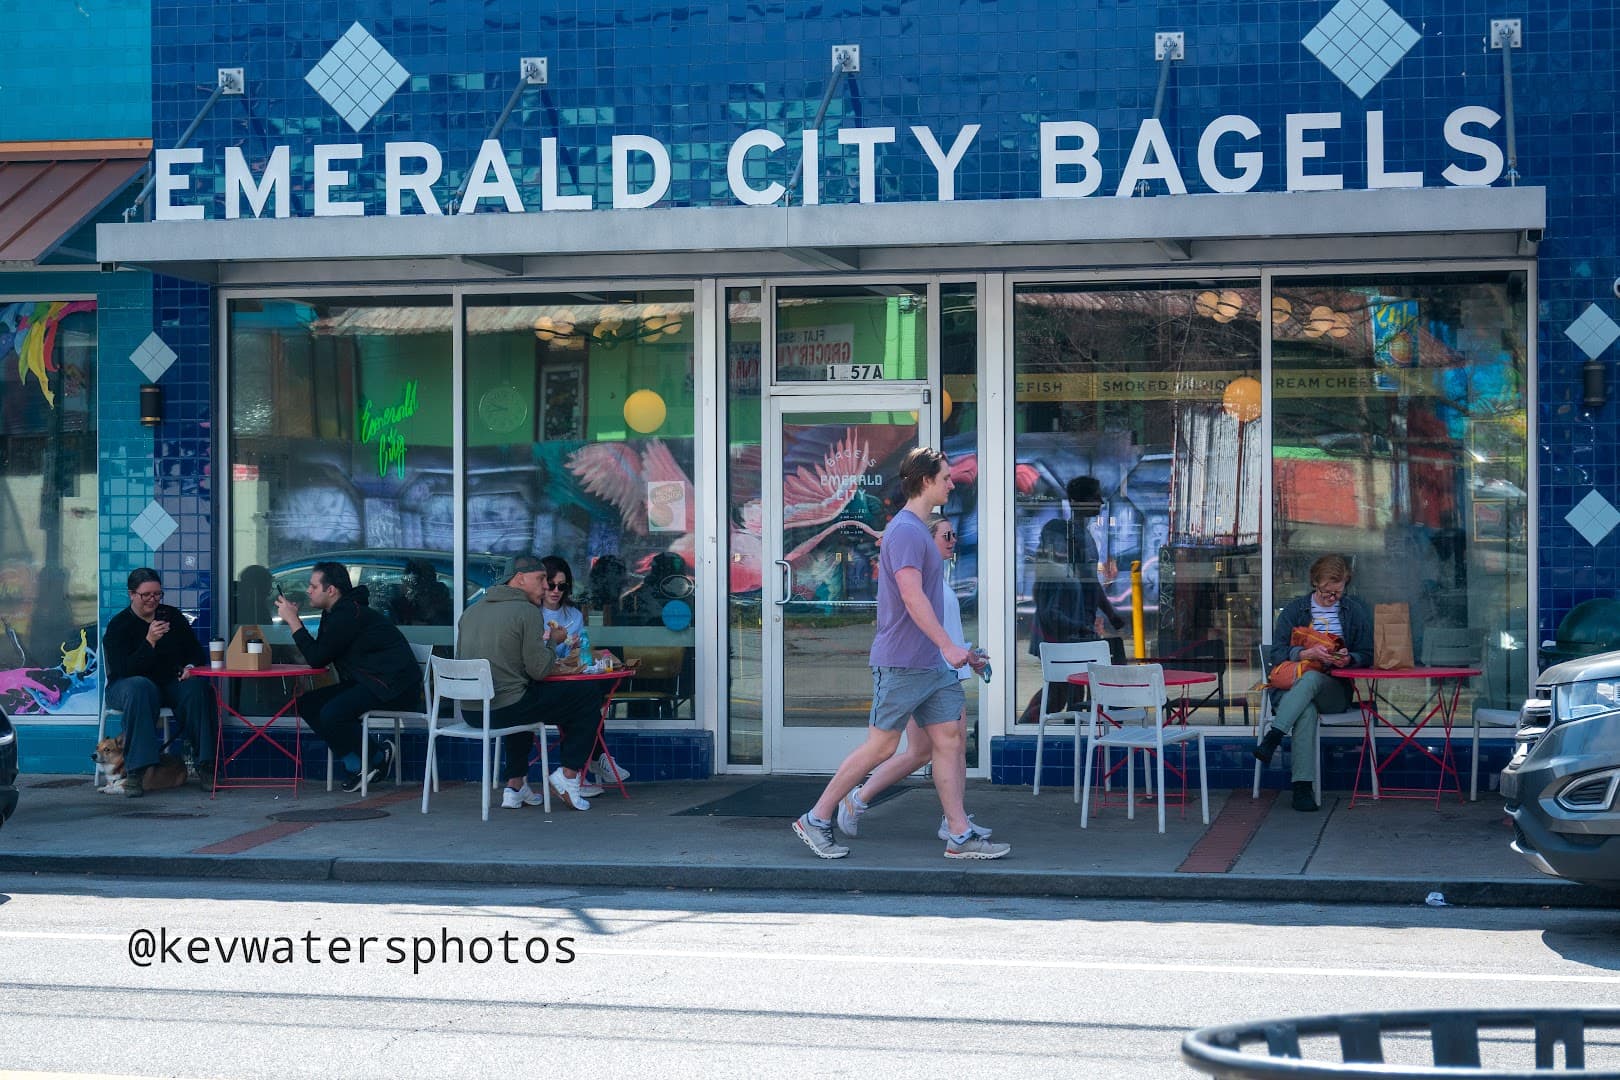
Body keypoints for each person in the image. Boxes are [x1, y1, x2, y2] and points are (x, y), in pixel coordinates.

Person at [793, 447, 1010, 861]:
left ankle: (959, 835)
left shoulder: (917, 530)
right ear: (926, 481)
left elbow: (930, 601)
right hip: (903, 663)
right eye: (945, 478)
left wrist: (958, 651)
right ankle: (816, 818)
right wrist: (948, 645)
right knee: (882, 747)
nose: (952, 484)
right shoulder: (907, 532)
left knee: (948, 740)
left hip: (932, 664)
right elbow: (912, 597)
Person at [834, 514, 993, 843]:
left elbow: (946, 631)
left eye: (954, 535)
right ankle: (855, 800)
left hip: (943, 672)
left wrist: (968, 656)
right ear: (926, 541)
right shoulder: (920, 582)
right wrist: (957, 658)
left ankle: (952, 820)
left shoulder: (936, 581)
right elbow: (921, 628)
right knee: (923, 748)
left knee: (931, 750)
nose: (953, 542)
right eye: (946, 536)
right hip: (924, 672)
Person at [455, 554, 612, 810]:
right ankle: (569, 775)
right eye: (540, 579)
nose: (546, 586)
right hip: (504, 709)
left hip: (472, 711)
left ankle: (515, 786)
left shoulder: (471, 612)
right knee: (587, 694)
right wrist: (553, 641)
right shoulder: (526, 612)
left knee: (523, 696)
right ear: (519, 579)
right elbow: (539, 670)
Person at [275, 562, 421, 793]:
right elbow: (321, 652)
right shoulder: (334, 612)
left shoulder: (348, 614)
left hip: (394, 687)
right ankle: (359, 764)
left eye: (313, 586)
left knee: (332, 713)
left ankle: (377, 756)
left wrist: (293, 621)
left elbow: (317, 658)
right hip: (370, 682)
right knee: (308, 704)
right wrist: (296, 621)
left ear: (331, 590)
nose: (308, 591)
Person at [1251, 554, 1373, 812]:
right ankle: (1302, 789)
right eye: (1327, 592)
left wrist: (1349, 658)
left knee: (1313, 678)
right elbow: (1277, 654)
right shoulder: (1296, 610)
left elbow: (1368, 654)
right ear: (1315, 583)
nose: (1333, 598)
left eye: (1338, 592)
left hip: (1334, 690)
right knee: (1305, 710)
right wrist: (1307, 653)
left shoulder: (1353, 611)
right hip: (1294, 687)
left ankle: (1274, 737)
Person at [102, 568, 217, 797]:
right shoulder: (119, 625)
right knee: (140, 687)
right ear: (132, 594)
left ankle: (206, 765)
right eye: (146, 595)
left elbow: (195, 653)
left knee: (197, 687)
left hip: (168, 683)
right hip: (126, 686)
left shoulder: (171, 616)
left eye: (157, 594)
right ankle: (136, 771)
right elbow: (123, 670)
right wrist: (149, 641)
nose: (153, 600)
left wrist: (190, 668)